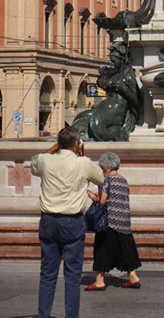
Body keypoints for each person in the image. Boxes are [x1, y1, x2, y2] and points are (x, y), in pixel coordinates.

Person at [31, 125, 104, 318]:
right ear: (77, 144)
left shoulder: (45, 160)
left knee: (47, 273)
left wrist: (55, 148)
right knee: (72, 275)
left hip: (48, 221)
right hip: (72, 222)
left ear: (59, 143)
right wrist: (82, 154)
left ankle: (43, 315)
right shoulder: (83, 163)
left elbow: (34, 164)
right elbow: (100, 177)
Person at [85, 151, 141, 291]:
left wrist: (93, 197)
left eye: (102, 169)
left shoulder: (107, 181)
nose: (102, 172)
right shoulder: (123, 180)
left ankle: (99, 281)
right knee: (125, 249)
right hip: (124, 222)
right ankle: (133, 277)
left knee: (101, 249)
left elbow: (102, 201)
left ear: (108, 168)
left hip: (109, 221)